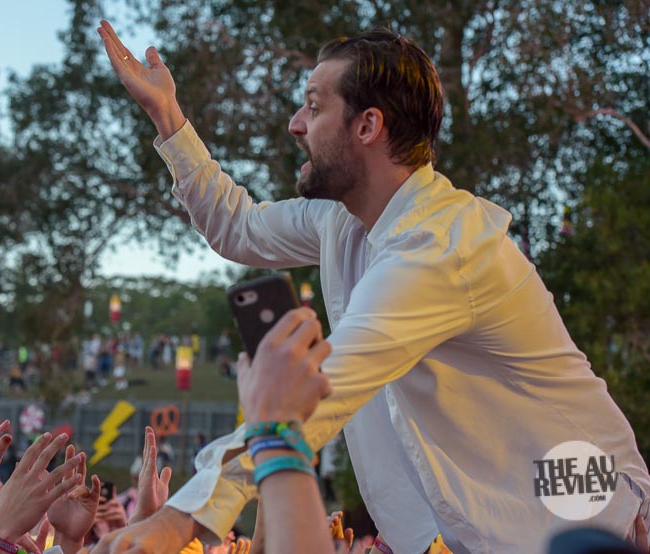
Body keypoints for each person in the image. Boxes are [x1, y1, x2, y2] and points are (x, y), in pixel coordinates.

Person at [96, 21, 650, 553]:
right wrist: (167, 114)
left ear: (367, 126)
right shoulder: (342, 221)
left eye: (314, 107)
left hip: (581, 515)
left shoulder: (441, 246)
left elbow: (324, 390)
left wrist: (176, 521)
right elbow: (237, 226)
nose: (295, 124)